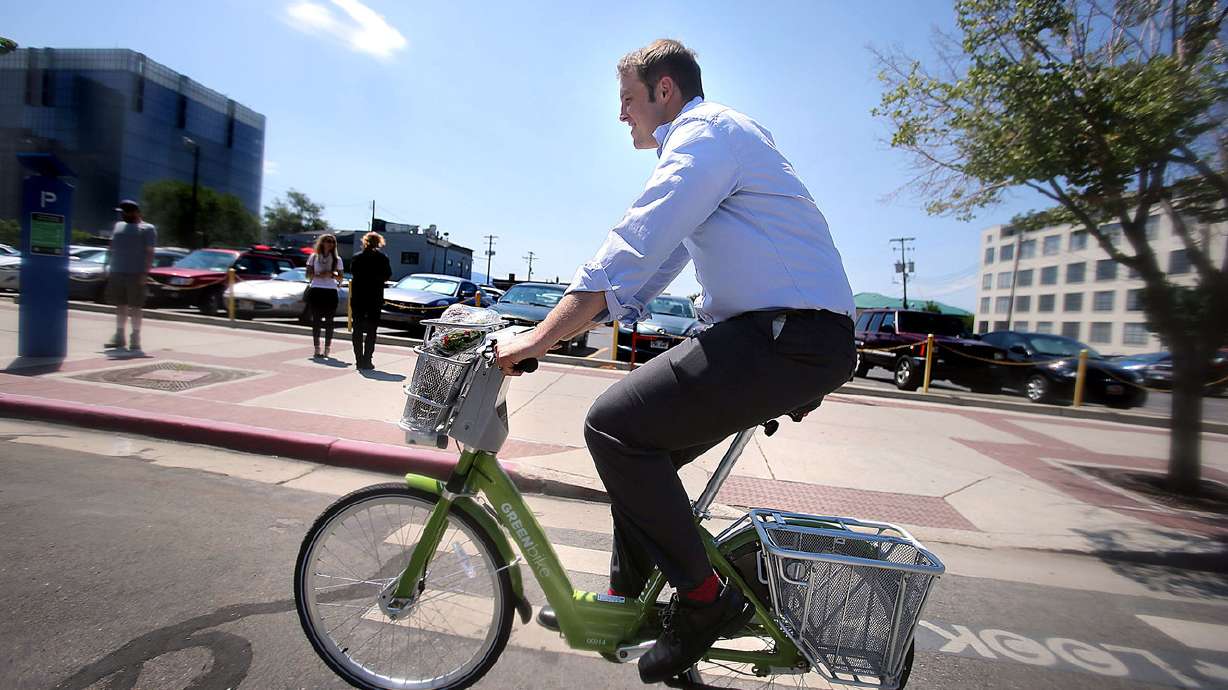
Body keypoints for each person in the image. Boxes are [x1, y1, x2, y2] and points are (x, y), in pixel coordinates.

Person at [495, 39, 856, 683]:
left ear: (665, 90)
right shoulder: (714, 142)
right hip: (784, 336)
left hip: (788, 337)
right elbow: (656, 263)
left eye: (628, 99)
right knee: (640, 450)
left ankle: (703, 600)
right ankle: (628, 599)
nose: (621, 115)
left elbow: (632, 244)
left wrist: (534, 340)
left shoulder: (704, 136)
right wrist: (586, 318)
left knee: (614, 426)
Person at [103, 200, 156, 352]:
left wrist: (145, 273)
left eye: (126, 212)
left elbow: (150, 252)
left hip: (136, 273)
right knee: (120, 305)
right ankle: (119, 336)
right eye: (122, 212)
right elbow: (111, 248)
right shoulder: (118, 226)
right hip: (117, 271)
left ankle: (135, 338)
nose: (123, 215)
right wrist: (105, 266)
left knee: (136, 306)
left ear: (136, 212)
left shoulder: (147, 229)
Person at [348, 231, 391, 370]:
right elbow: (387, 275)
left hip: (358, 297)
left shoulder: (357, 257)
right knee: (372, 330)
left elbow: (353, 272)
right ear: (379, 243)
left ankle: (359, 360)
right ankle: (368, 359)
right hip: (375, 297)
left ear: (364, 241)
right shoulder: (382, 258)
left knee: (357, 329)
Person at [305, 234, 343, 359]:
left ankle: (327, 348)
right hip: (316, 289)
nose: (330, 244)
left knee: (329, 321)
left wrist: (332, 274)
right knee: (316, 320)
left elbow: (340, 278)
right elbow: (308, 275)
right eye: (327, 241)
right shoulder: (314, 257)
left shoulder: (337, 259)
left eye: (332, 242)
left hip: (330, 291)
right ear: (322, 242)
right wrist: (319, 275)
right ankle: (317, 348)